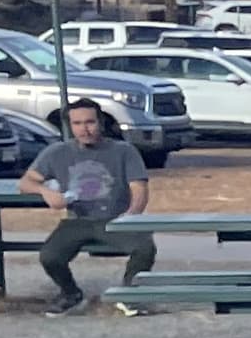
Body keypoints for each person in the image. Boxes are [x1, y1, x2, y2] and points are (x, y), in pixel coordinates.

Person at [28, 97, 156, 313]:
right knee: (49, 256)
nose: (84, 129)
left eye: (89, 122)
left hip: (115, 218)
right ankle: (70, 293)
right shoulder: (57, 152)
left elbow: (139, 189)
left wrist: (131, 215)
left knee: (145, 248)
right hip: (77, 220)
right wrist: (45, 192)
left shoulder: (124, 150)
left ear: (101, 123)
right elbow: (26, 181)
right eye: (77, 124)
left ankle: (129, 294)